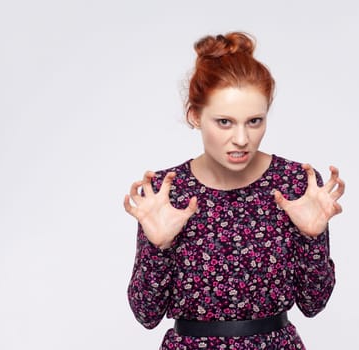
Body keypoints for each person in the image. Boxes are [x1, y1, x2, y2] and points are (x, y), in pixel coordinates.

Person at [124, 32, 345, 349]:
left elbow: (314, 304)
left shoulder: (295, 184)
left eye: (254, 121)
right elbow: (146, 315)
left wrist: (312, 240)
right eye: (225, 122)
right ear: (196, 116)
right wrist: (157, 249)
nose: (242, 138)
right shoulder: (168, 192)